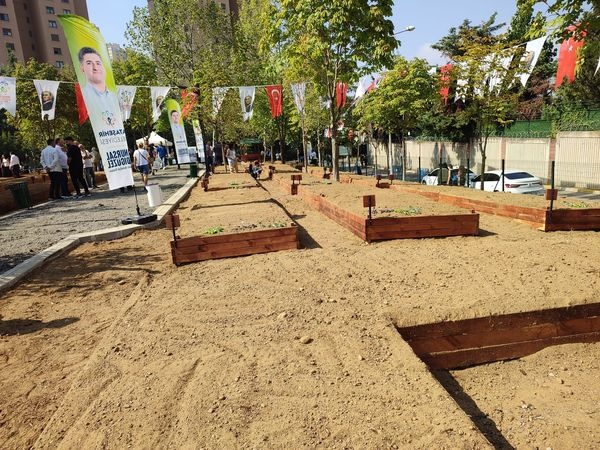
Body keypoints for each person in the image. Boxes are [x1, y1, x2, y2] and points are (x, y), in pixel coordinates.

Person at [78, 47, 119, 119]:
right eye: (89, 63)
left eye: (98, 63)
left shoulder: (115, 97)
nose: (95, 67)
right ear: (82, 68)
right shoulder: (82, 95)